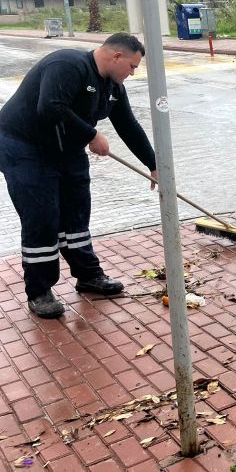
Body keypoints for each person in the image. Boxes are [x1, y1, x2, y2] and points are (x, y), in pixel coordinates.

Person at [0, 33, 157, 319]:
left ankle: (88, 276)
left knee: (76, 214)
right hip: (24, 148)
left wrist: (154, 165)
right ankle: (40, 291)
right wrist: (92, 133)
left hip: (66, 148)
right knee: (43, 218)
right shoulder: (67, 64)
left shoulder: (112, 87)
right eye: (132, 66)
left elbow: (129, 126)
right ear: (116, 56)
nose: (133, 73)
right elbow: (49, 107)